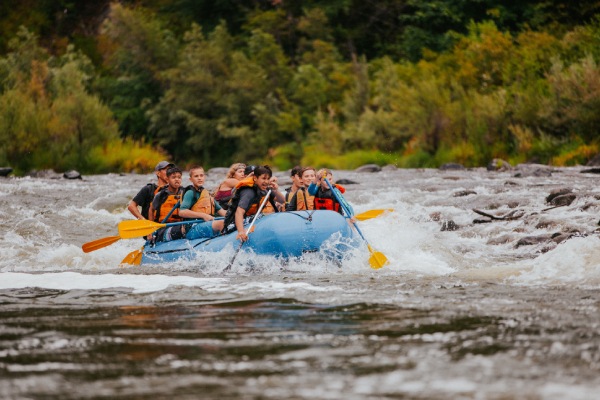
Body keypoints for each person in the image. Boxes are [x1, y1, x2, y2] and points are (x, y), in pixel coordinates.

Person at [222, 165, 285, 242]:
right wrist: (241, 232)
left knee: (269, 214)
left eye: (268, 179)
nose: (266, 181)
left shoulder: (265, 189)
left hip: (251, 218)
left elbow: (282, 200)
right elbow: (239, 212)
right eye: (263, 178)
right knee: (265, 216)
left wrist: (275, 190)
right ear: (255, 178)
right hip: (233, 223)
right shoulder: (248, 192)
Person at [179, 165, 227, 239]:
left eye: (201, 175)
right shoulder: (190, 193)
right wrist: (203, 215)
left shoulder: (206, 194)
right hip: (192, 229)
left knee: (228, 223)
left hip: (205, 225)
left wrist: (237, 215)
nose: (199, 178)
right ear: (190, 179)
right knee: (221, 223)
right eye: (196, 176)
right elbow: (182, 212)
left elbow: (222, 212)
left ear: (204, 177)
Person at [148, 166, 184, 241]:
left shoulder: (185, 193)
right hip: (163, 228)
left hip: (181, 224)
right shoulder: (161, 195)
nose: (177, 179)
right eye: (173, 177)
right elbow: (151, 210)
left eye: (179, 177)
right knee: (184, 229)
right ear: (167, 179)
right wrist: (150, 231)